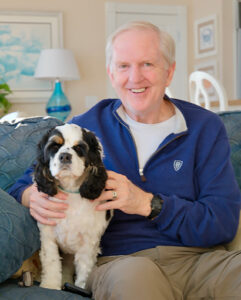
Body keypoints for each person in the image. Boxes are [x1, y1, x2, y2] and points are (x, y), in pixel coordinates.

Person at [9, 21, 241, 299]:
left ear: (169, 72)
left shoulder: (205, 127)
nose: (135, 78)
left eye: (147, 64)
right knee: (136, 281)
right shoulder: (85, 129)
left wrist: (147, 204)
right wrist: (29, 195)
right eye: (123, 66)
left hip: (201, 260)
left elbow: (223, 223)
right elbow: (20, 186)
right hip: (123, 262)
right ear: (111, 73)